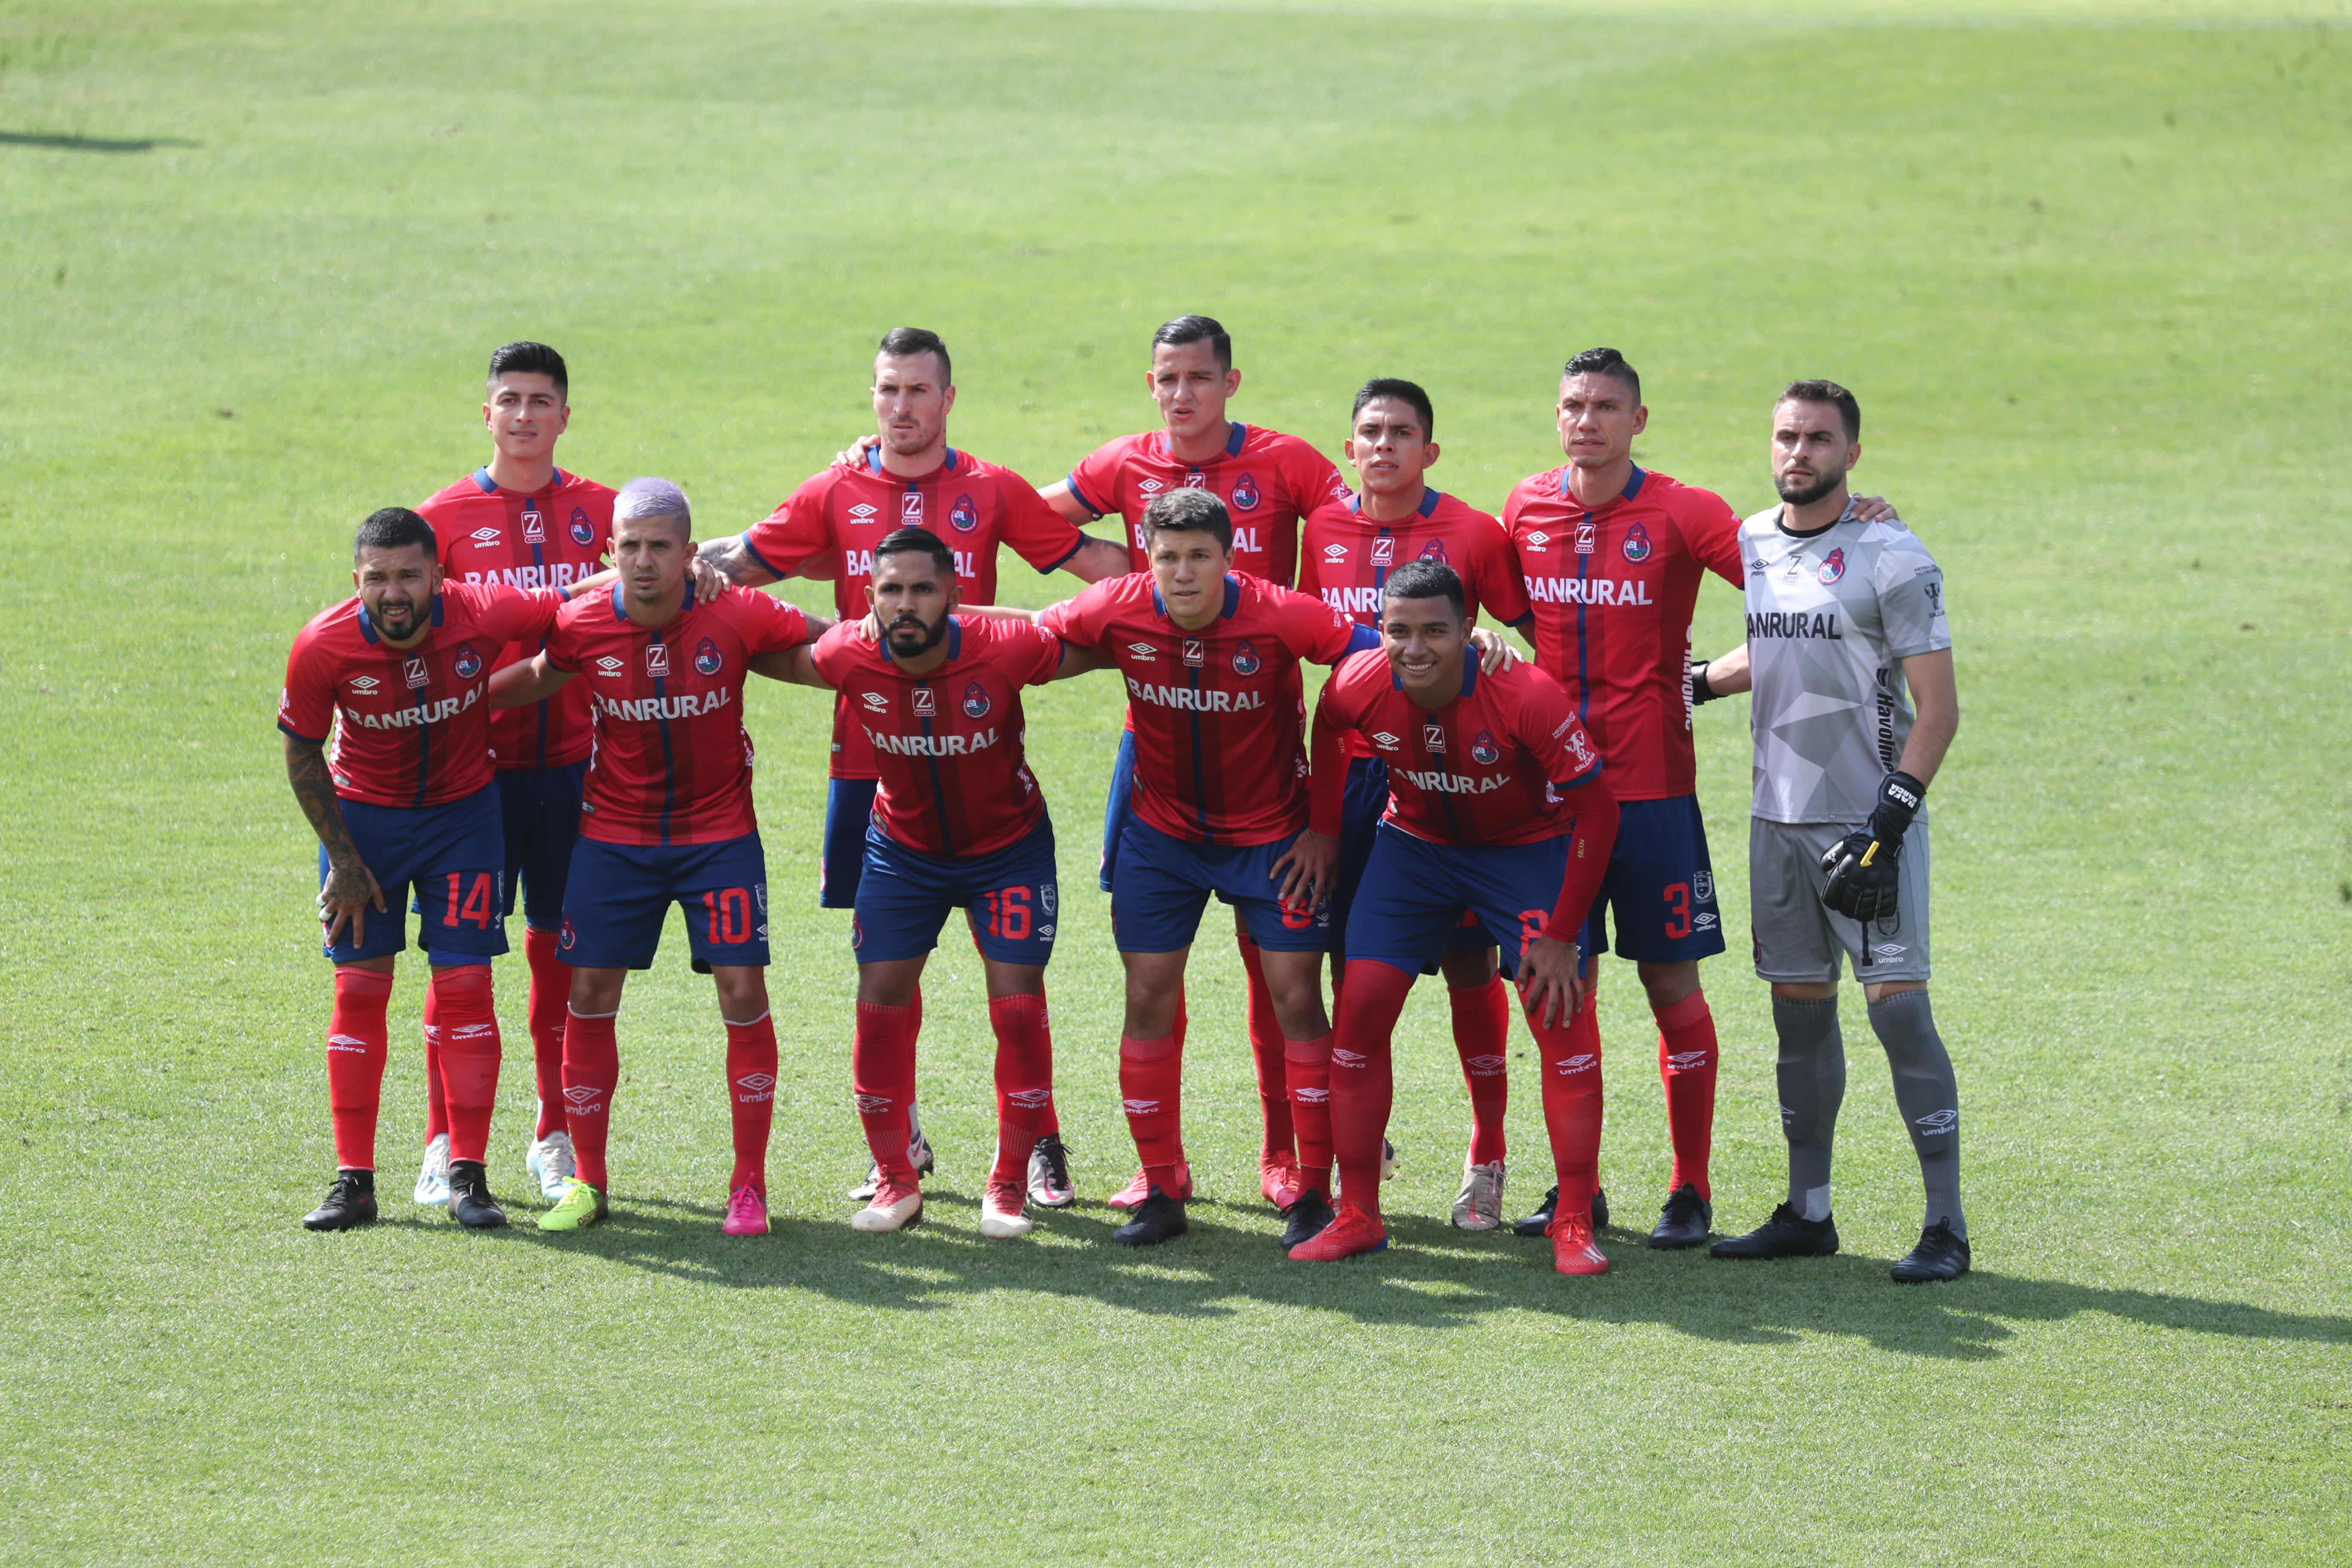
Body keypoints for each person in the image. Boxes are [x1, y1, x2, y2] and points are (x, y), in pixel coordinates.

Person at [699, 327, 1125, 1210]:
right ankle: (906, 1143)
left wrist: (1013, 629)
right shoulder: (837, 487)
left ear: (948, 400)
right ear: (874, 399)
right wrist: (639, 574)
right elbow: (738, 567)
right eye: (888, 391)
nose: (902, 408)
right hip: (870, 762)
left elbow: (1100, 573)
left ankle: (1039, 1147)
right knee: (889, 967)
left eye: (918, 392)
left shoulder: (993, 488)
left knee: (1015, 985)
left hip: (975, 748)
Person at [1049, 315, 1351, 1215]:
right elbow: (1020, 576)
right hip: (1161, 799)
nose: (1182, 394)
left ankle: (1299, 1168)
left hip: (1272, 803)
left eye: (1199, 377)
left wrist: (1467, 647)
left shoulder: (1287, 509)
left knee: (1289, 987)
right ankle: (1160, 1178)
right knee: (1150, 984)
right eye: (1166, 378)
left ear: (1231, 382)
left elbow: (1371, 567)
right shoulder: (1126, 514)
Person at [490, 480, 825, 1237]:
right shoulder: (581, 623)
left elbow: (825, 641)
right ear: (609, 552)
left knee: (742, 991)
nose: (644, 561)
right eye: (630, 546)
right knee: (591, 995)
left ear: (689, 551)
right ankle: (589, 1182)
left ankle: (749, 1186)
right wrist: (453, 703)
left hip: (720, 839)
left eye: (660, 546)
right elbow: (542, 677)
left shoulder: (735, 610)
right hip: (615, 839)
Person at [752, 527, 1109, 1237]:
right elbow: (755, 647)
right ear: (870, 600)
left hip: (1009, 851)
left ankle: (1007, 1185)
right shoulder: (845, 654)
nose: (907, 604)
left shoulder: (1007, 650)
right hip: (902, 854)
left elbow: (1104, 643)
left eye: (922, 589)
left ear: (953, 593)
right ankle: (896, 1180)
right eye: (892, 591)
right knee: (879, 1008)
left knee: (1016, 1010)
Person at [1689, 380, 1969, 1283]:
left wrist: (1892, 819)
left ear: (1853, 450)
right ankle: (1808, 1213)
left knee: (1903, 1016)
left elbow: (1939, 709)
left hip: (1867, 823)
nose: (1798, 452)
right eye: (1785, 436)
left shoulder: (1891, 554)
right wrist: (1695, 684)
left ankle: (1946, 1226)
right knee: (1796, 1021)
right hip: (1777, 824)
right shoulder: (1754, 541)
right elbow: (1781, 645)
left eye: (1818, 438)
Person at [1291, 562, 1621, 1273]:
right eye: (1399, 631)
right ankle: (1358, 1214)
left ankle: (1572, 1220)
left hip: (1525, 853)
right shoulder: (1358, 683)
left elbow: (1598, 809)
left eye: (1435, 631)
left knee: (1560, 1016)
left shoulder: (1524, 694)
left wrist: (1563, 936)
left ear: (1469, 632)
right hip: (1415, 849)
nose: (1415, 648)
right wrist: (1322, 828)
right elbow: (1327, 726)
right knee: (1361, 1013)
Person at [279, 507, 575, 1231]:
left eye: (410, 574)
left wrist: (664, 572)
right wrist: (344, 860)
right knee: (358, 992)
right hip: (365, 828)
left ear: (440, 577)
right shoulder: (321, 646)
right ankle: (355, 1184)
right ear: (357, 581)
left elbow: (574, 599)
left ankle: (468, 1177)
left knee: (468, 986)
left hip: (464, 823)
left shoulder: (481, 611)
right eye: (377, 578)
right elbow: (301, 752)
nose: (395, 592)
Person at [1295, 378, 1536, 1232]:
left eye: (1403, 432)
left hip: (1450, 779)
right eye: (1370, 432)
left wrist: (1501, 649)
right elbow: (1314, 641)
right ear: (1350, 447)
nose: (1385, 446)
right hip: (1357, 777)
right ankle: (1365, 1144)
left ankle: (1488, 1155)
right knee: (1353, 964)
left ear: (1430, 450)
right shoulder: (1322, 528)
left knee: (1471, 967)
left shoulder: (1473, 532)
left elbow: (1523, 635)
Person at [412, 340, 617, 1210]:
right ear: (485, 414)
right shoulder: (441, 520)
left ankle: (552, 1132)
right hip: (471, 781)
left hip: (579, 767)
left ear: (566, 415)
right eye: (510, 400)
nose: (525, 415)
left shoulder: (606, 511)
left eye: (541, 400)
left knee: (558, 963)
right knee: (458, 963)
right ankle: (443, 1140)